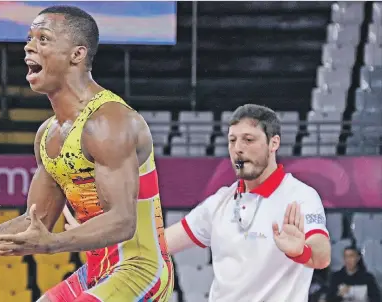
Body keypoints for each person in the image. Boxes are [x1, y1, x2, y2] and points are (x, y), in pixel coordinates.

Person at [0, 5, 174, 302]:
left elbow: (122, 222)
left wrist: (53, 244)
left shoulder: (108, 122)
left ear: (77, 54)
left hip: (141, 271)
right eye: (29, 38)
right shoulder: (48, 135)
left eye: (43, 39)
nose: (28, 46)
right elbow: (33, 222)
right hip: (97, 271)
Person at [64, 104, 333, 301]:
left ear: (274, 143)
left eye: (249, 140)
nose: (238, 148)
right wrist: (95, 236)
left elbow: (322, 255)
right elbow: (157, 245)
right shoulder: (219, 203)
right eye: (232, 140)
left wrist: (301, 251)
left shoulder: (299, 195)